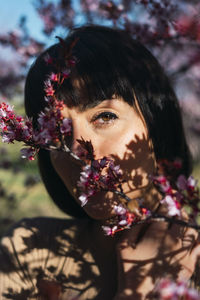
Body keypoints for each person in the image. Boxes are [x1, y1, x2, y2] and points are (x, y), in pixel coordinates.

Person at [0, 24, 199, 300]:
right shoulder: (29, 249)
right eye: (58, 133)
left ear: (156, 123)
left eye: (105, 116)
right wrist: (134, 294)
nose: (78, 149)